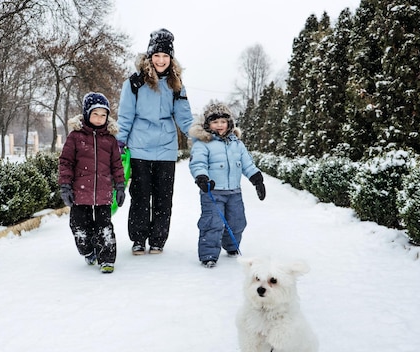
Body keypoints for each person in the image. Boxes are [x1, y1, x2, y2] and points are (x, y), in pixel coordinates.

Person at [116, 28, 193, 255]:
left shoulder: (176, 84)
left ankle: (158, 239)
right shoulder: (134, 83)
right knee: (140, 197)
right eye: (157, 56)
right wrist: (119, 143)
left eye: (165, 56)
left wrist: (201, 137)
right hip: (139, 148)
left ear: (171, 59)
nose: (161, 60)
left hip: (166, 149)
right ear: (150, 57)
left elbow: (185, 117)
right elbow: (126, 115)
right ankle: (139, 238)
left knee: (163, 198)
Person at [188, 102, 266, 268]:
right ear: (207, 124)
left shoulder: (237, 143)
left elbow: (247, 164)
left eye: (223, 121)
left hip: (234, 192)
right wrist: (202, 177)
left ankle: (231, 246)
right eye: (215, 122)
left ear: (229, 123)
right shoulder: (203, 143)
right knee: (212, 223)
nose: (219, 125)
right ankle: (209, 254)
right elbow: (198, 163)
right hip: (212, 192)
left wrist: (256, 178)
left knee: (238, 222)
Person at [59, 92, 126, 274]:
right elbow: (66, 162)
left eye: (103, 115)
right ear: (87, 114)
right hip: (80, 193)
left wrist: (120, 186)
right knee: (79, 227)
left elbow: (117, 166)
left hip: (103, 193)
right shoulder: (75, 137)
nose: (99, 119)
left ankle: (107, 259)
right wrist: (65, 186)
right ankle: (88, 250)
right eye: (95, 114)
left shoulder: (110, 140)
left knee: (104, 228)